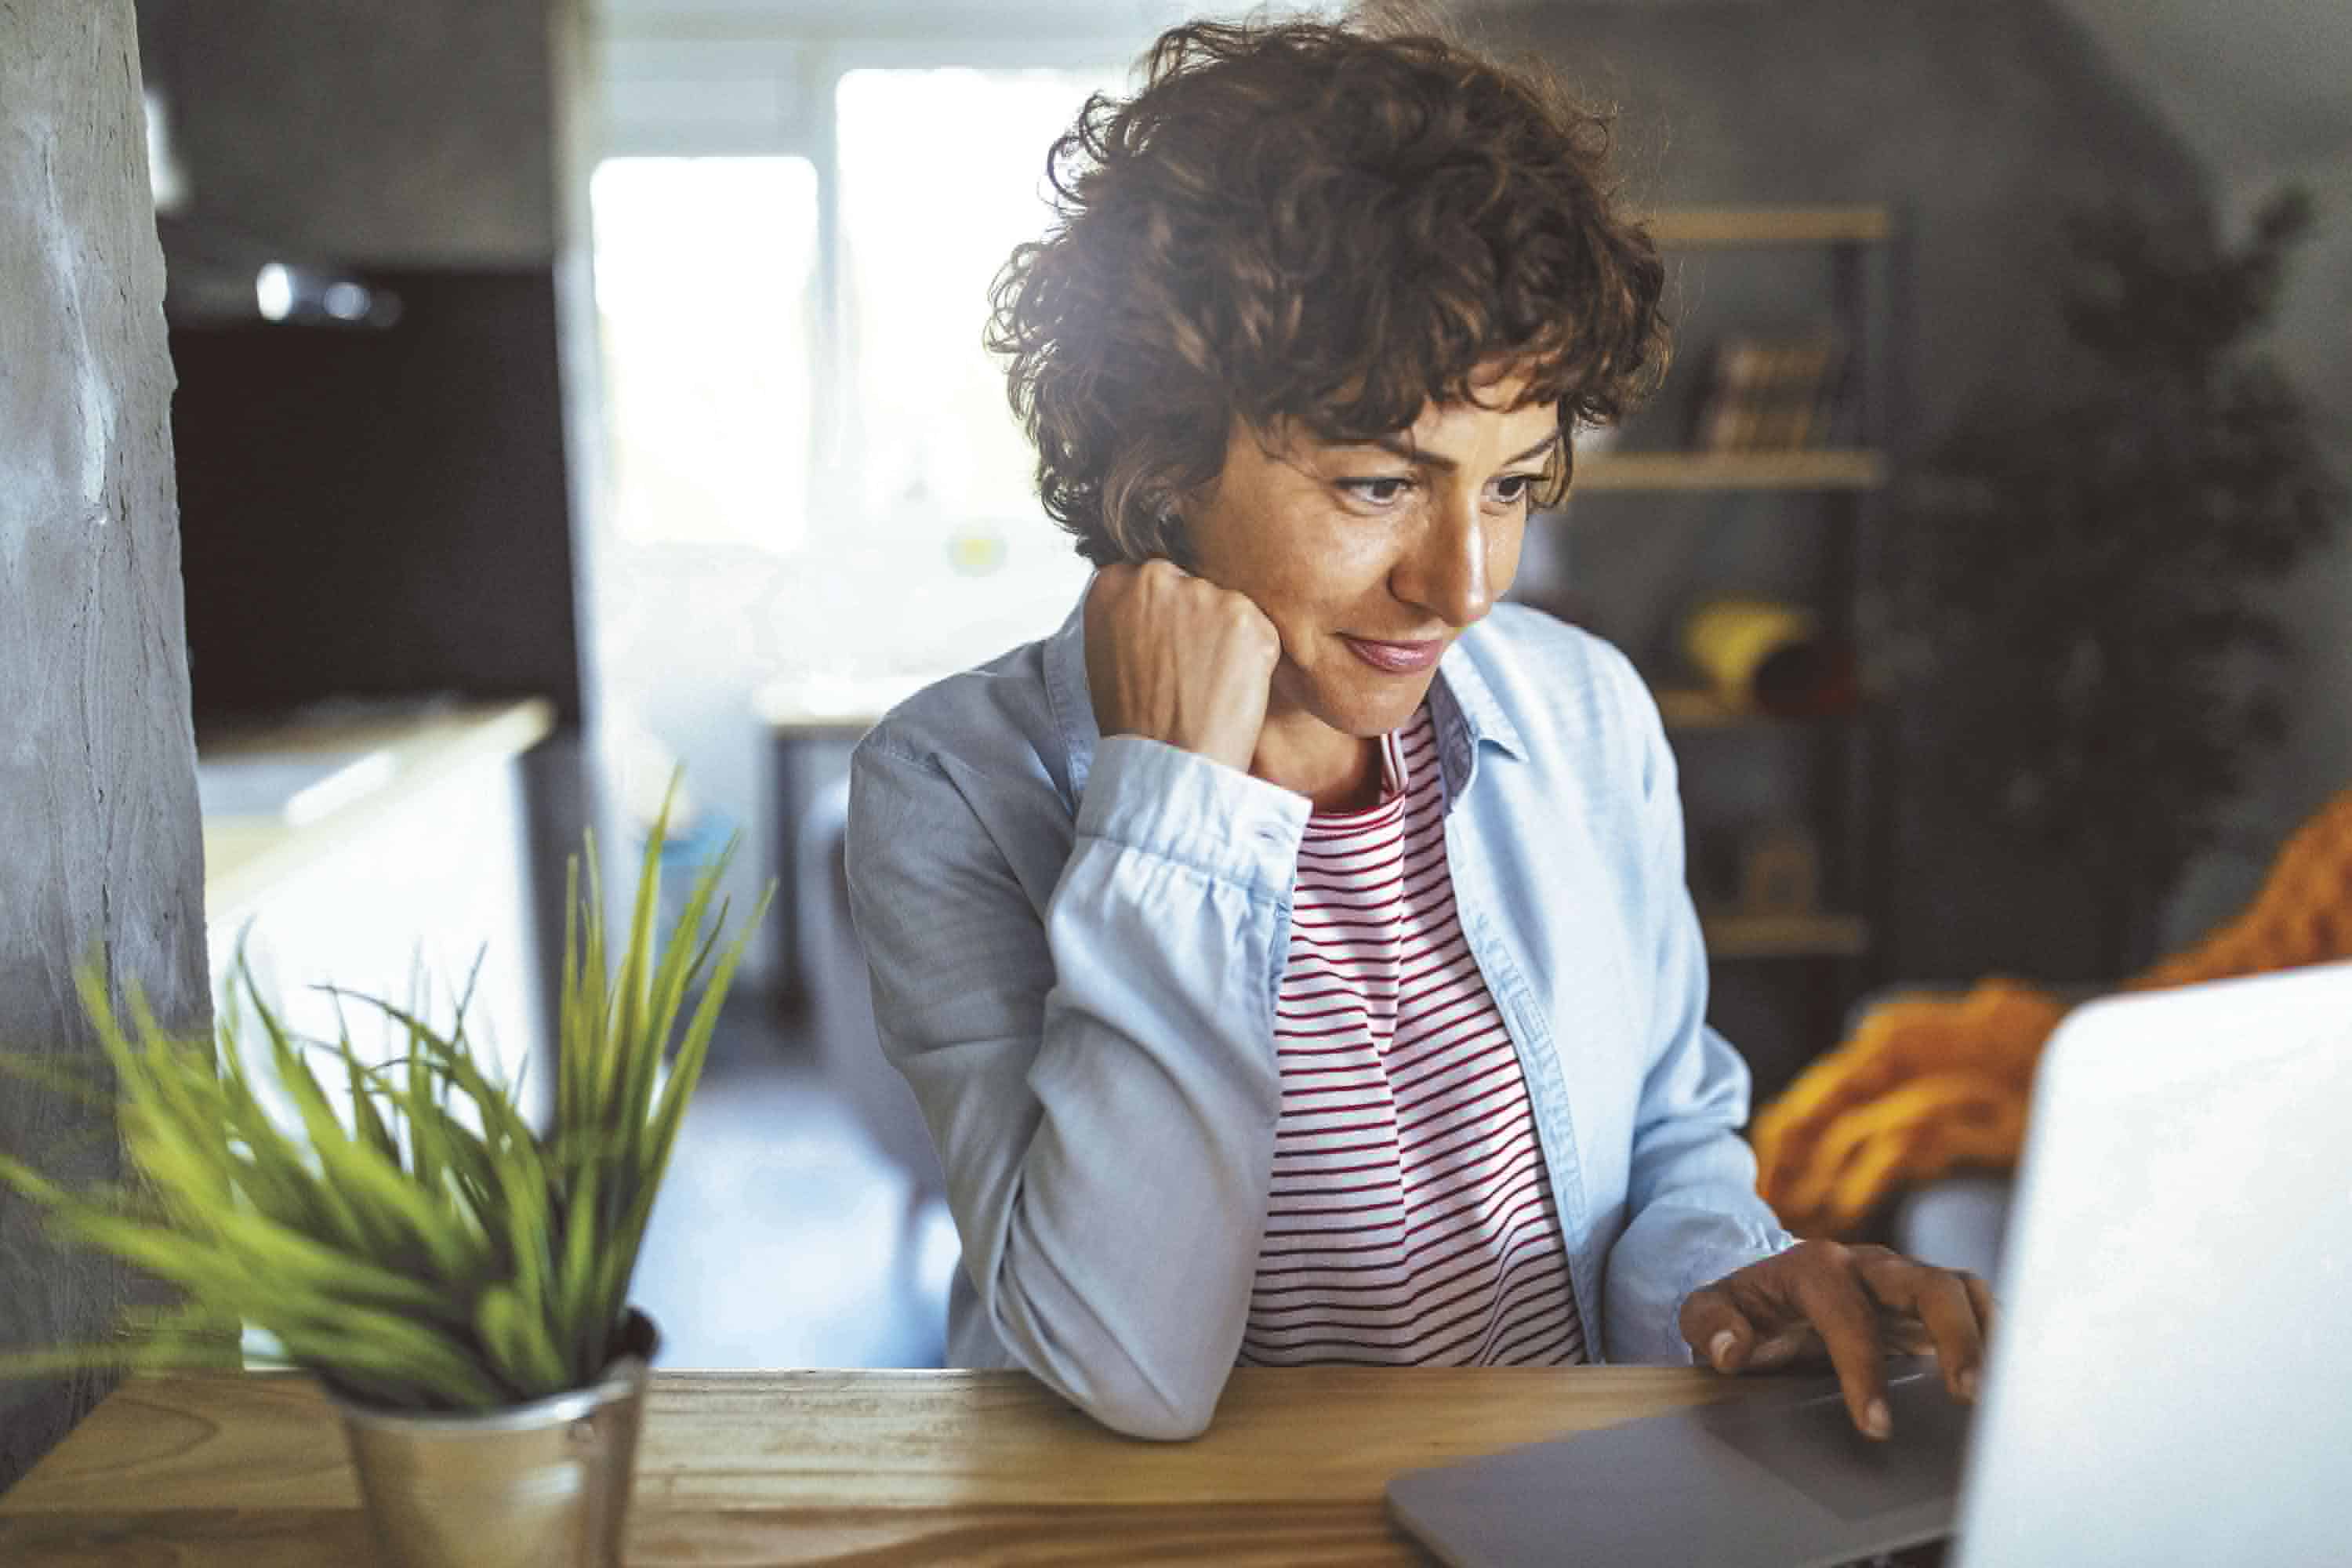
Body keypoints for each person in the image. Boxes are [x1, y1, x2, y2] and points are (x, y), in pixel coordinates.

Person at [844, 11, 1992, 1443]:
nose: (1463, 587)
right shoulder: (951, 786)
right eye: (1383, 484)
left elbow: (1670, 1143)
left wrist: (1723, 1286)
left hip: (1557, 1514)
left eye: (1509, 485)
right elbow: (1121, 1363)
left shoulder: (1584, 714)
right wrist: (1172, 803)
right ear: (1159, 450)